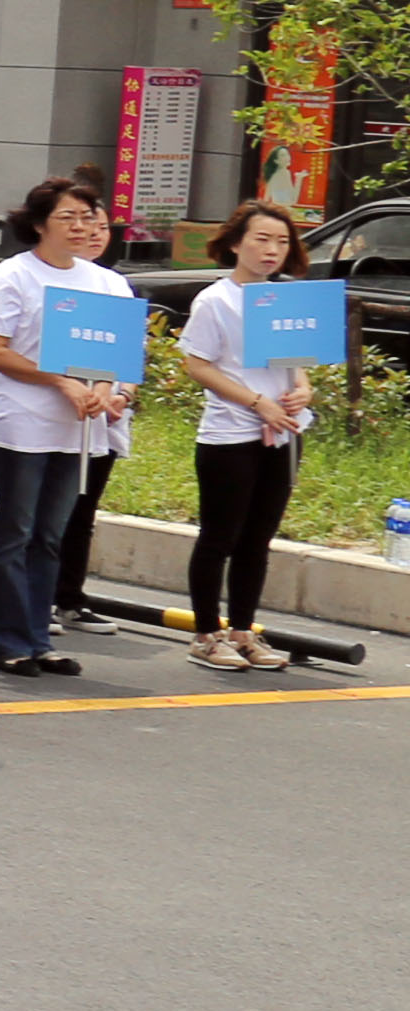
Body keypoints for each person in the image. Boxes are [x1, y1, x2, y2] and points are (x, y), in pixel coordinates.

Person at [0, 178, 133, 677]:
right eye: (69, 217)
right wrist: (60, 382)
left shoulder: (108, 283)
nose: (82, 226)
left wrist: (113, 392)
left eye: (88, 215)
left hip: (79, 429)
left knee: (51, 535)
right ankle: (6, 640)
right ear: (39, 224)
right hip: (22, 422)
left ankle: (39, 639)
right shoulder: (14, 276)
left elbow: (122, 358)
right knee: (15, 531)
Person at [174, 202, 313, 675]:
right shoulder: (216, 300)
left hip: (284, 432)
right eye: (262, 239)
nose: (272, 250)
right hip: (230, 434)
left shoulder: (286, 298)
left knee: (259, 538)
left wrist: (302, 391)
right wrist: (258, 402)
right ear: (235, 243)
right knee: (220, 536)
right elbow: (197, 364)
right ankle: (206, 634)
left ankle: (243, 631)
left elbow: (298, 365)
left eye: (281, 242)